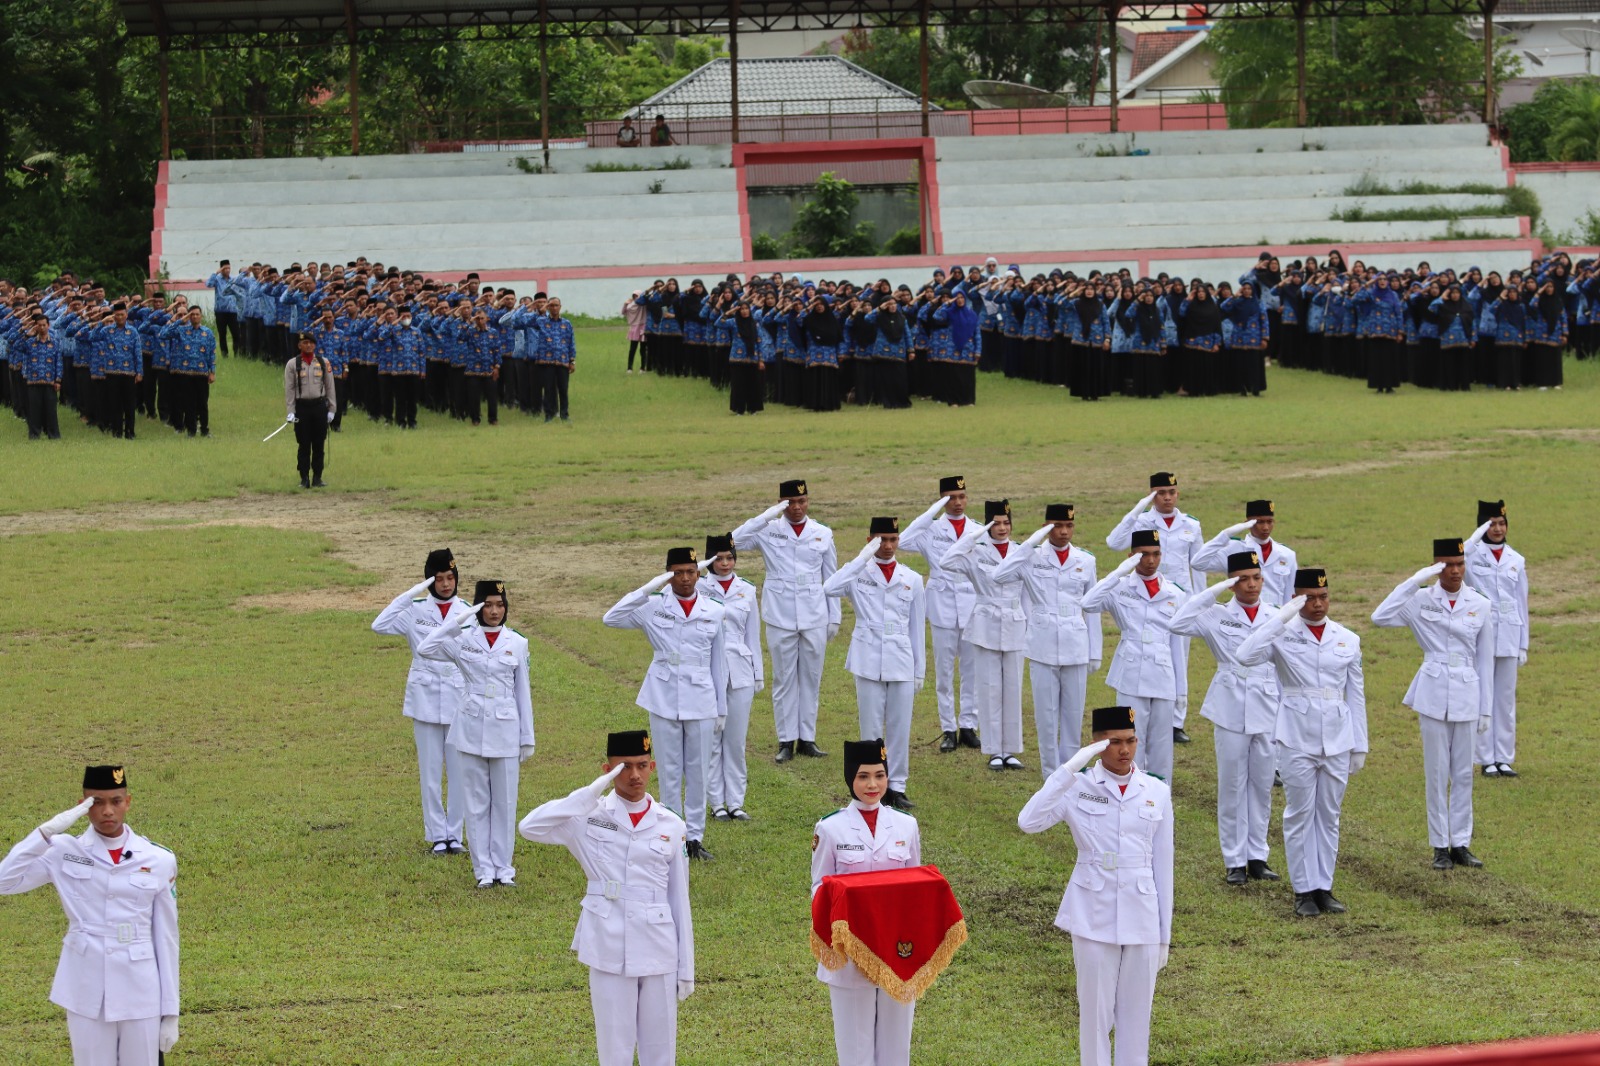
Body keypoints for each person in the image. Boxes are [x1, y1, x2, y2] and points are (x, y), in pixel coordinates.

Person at [518, 730, 694, 1066]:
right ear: (607, 769)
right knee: (614, 1049)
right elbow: (530, 827)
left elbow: (679, 897)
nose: (634, 775)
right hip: (607, 942)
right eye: (623, 767)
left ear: (652, 766)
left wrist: (686, 966)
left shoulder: (670, 823)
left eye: (642, 765)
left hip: (659, 946)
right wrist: (586, 796)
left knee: (661, 1052)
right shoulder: (587, 816)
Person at [1018, 708, 1173, 1066]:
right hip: (1092, 910)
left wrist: (1164, 934)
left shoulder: (1156, 791)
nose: (1125, 750)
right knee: (1095, 1018)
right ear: (1097, 744)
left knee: (1137, 1019)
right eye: (1115, 742)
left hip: (1142, 913)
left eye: (1131, 741)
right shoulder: (1077, 786)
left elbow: (1163, 866)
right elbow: (1028, 821)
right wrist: (1070, 768)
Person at [0, 765, 180, 1064]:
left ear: (128, 802)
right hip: (85, 985)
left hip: (141, 987)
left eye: (116, 801)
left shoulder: (158, 858)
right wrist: (45, 832)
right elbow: (4, 881)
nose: (107, 811)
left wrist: (170, 1011)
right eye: (96, 802)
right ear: (83, 804)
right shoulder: (63, 850)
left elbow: (166, 937)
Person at [1235, 568, 1367, 917]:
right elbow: (1245, 655)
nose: (1318, 604)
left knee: (1329, 814)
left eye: (1323, 596)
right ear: (1297, 598)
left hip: (1338, 737)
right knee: (1299, 813)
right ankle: (1302, 889)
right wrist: (1281, 617)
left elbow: (1356, 696)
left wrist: (1360, 745)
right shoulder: (1283, 634)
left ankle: (1324, 886)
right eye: (1309, 597)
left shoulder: (1347, 638)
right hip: (1296, 736)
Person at [1371, 538, 1494, 871]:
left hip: (1468, 691)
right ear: (1436, 567)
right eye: (1446, 565)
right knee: (1437, 773)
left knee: (1463, 774)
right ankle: (1440, 845)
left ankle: (1461, 843)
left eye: (1459, 564)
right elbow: (1379, 617)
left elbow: (1485, 661)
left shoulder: (1480, 603)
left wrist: (1486, 708)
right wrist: (1414, 581)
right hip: (1433, 690)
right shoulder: (1420, 600)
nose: (1454, 571)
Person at [602, 547, 728, 861]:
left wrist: (721, 707)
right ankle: (673, 836)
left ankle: (695, 837)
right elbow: (611, 618)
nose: (685, 579)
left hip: (700, 697)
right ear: (667, 574)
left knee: (698, 770)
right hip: (663, 695)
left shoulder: (714, 609)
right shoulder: (653, 605)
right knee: (669, 771)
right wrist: (648, 588)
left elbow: (718, 662)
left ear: (699, 574)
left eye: (690, 572)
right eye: (677, 572)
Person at [1171, 551, 1282, 885]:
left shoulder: (1277, 615)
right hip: (1230, 703)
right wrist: (1214, 590)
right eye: (1243, 579)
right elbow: (1177, 623)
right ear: (1232, 583)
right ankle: (1234, 859)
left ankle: (1258, 856)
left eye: (1256, 577)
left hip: (1268, 704)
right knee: (1232, 784)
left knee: (1262, 785)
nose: (1251, 585)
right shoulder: (1215, 614)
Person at [811, 739, 923, 1066]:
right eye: (862, 776)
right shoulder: (830, 828)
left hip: (897, 950)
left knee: (896, 1049)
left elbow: (914, 885)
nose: (872, 785)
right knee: (855, 1051)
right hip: (850, 952)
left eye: (879, 775)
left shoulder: (906, 825)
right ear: (850, 779)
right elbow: (818, 889)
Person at [417, 580, 535, 887]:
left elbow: (523, 694)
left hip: (506, 729)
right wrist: (457, 622)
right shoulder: (463, 639)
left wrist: (527, 738)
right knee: (477, 802)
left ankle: (504, 869)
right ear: (478, 607)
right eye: (488, 605)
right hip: (470, 729)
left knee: (505, 804)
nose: (495, 611)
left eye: (500, 604)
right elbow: (425, 647)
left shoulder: (517, 643)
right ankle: (483, 869)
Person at [992, 503, 1103, 779]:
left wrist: (1095, 651)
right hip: (1042, 644)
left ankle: (1071, 773)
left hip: (1076, 642)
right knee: (1046, 715)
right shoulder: (1030, 557)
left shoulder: (1086, 560)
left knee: (1073, 715)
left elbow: (1092, 608)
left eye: (1069, 526)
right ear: (1046, 528)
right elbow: (999, 575)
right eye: (1057, 526)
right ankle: (1049, 775)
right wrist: (1029, 544)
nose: (1064, 532)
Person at [732, 480, 839, 763]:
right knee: (784, 678)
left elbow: (832, 578)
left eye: (801, 502)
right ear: (781, 503)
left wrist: (834, 617)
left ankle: (807, 738)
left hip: (815, 613)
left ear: (808, 502)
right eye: (789, 502)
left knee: (811, 678)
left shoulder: (823, 533)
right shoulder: (768, 529)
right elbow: (734, 540)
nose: (796, 508)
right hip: (780, 614)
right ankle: (785, 739)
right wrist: (767, 515)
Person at [823, 518, 927, 810]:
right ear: (870, 539)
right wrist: (861, 558)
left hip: (901, 659)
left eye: (893, 539)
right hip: (868, 659)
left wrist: (919, 670)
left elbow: (918, 628)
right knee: (870, 728)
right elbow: (829, 587)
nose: (888, 545)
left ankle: (896, 786)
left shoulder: (912, 579)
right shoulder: (858, 572)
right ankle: (870, 784)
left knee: (899, 726)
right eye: (881, 539)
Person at [371, 549, 469, 855]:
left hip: (457, 698)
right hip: (425, 697)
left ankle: (455, 834)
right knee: (429, 772)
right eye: (438, 578)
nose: (445, 584)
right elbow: (380, 625)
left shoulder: (468, 611)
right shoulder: (415, 609)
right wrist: (409, 594)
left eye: (450, 578)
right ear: (429, 580)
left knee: (459, 772)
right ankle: (437, 835)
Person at [1106, 473, 1204, 743]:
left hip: (1178, 600)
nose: (1167, 497)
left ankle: (1176, 721)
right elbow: (1114, 543)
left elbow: (1198, 565)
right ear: (1151, 495)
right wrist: (1138, 509)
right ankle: (1147, 717)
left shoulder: (1191, 525)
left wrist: (1199, 602)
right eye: (1161, 492)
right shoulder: (1143, 521)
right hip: (1145, 595)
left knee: (1177, 660)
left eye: (1172, 491)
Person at [1082, 529, 1185, 783]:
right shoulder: (1120, 587)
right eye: (1144, 554)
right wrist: (1119, 571)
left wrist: (1181, 690)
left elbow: (1178, 646)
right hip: (1131, 673)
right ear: (1131, 556)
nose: (1151, 560)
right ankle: (1131, 797)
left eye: (1156, 554)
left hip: (1163, 675)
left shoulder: (1175, 593)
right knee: (1131, 740)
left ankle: (1161, 800)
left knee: (1162, 747)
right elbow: (1087, 603)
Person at [941, 500, 1029, 771]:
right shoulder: (975, 552)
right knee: (989, 688)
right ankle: (993, 750)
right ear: (988, 525)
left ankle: (1010, 749)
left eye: (1006, 523)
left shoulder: (1023, 552)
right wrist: (973, 536)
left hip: (1015, 623)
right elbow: (947, 561)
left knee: (1012, 688)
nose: (1002, 528)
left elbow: (1029, 593)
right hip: (986, 624)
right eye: (996, 523)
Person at [899, 477, 980, 753]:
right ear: (942, 500)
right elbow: (904, 540)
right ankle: (948, 728)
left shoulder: (978, 530)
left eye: (961, 496)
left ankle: (968, 725)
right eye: (950, 497)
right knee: (944, 671)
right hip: (943, 602)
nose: (957, 502)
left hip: (971, 603)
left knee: (971, 668)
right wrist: (932, 511)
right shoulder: (930, 530)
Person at [698, 534, 762, 821]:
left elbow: (753, 635)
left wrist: (758, 673)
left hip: (740, 670)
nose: (725, 564)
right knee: (712, 740)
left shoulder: (746, 589)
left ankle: (736, 802)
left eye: (730, 557)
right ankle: (716, 803)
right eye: (719, 558)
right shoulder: (698, 586)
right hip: (709, 671)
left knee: (735, 742)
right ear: (709, 560)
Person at [1464, 500, 1529, 778]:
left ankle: (1504, 757)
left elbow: (1522, 602)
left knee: (1504, 699)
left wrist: (1523, 643)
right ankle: (1485, 757)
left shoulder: (1516, 559)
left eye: (1502, 523)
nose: (1498, 529)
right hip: (1483, 633)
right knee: (1483, 697)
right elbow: (1460, 555)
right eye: (1491, 524)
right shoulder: (1472, 555)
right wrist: (1477, 534)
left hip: (1510, 634)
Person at [1192, 499, 1298, 608]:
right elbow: (1198, 563)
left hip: (1275, 617)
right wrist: (1225, 535)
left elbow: (1291, 595)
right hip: (1243, 615)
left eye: (1269, 521)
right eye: (1260, 522)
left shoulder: (1287, 554)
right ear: (1247, 523)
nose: (1266, 527)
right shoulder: (1234, 549)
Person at [283, 332, 336, 488]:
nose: (308, 345)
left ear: (315, 345)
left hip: (319, 406)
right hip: (302, 408)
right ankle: (304, 477)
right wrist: (290, 411)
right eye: (305, 343)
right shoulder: (292, 364)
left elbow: (330, 386)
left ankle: (317, 477)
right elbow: (289, 389)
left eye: (311, 343)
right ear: (299, 345)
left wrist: (332, 409)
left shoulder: (323, 362)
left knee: (319, 443)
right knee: (304, 444)